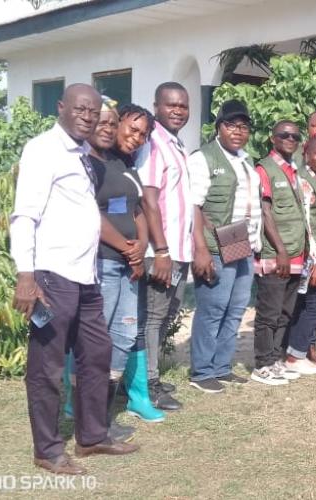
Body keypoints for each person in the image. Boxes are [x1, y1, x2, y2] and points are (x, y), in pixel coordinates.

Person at [12, 83, 137, 475]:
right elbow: (25, 215)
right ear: (62, 108)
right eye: (81, 109)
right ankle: (47, 450)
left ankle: (92, 436)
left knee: (96, 356)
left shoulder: (85, 154)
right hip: (51, 277)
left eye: (94, 110)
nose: (88, 116)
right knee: (47, 366)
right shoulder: (43, 150)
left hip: (86, 278)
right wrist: (25, 276)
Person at [86, 99, 164, 431]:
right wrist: (126, 248)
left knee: (125, 334)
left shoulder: (123, 164)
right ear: (115, 123)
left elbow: (136, 209)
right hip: (104, 263)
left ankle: (102, 414)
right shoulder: (87, 163)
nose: (137, 137)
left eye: (143, 134)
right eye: (132, 128)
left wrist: (142, 247)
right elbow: (91, 213)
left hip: (129, 264)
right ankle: (87, 413)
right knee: (98, 337)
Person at [186, 100, 261, 393]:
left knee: (235, 308)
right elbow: (194, 205)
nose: (237, 131)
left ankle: (221, 366)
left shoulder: (246, 159)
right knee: (213, 308)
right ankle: (202, 371)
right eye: (231, 125)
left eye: (243, 127)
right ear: (219, 127)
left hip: (243, 241)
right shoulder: (203, 158)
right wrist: (201, 249)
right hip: (216, 244)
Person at [132, 82, 190, 412]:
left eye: (183, 106)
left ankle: (147, 376)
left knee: (164, 316)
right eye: (171, 105)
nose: (178, 111)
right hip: (161, 251)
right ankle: (148, 385)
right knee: (152, 319)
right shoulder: (152, 143)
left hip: (177, 248)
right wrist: (162, 251)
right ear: (156, 106)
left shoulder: (176, 145)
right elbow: (149, 198)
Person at [250, 120, 310, 386]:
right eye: (284, 135)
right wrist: (281, 251)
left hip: (297, 255)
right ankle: (262, 364)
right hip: (277, 256)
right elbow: (265, 212)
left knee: (285, 313)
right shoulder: (265, 168)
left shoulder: (294, 171)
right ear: (273, 138)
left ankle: (275, 360)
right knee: (269, 313)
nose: (290, 139)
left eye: (295, 136)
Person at [280, 135, 316, 376]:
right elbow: (306, 224)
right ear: (306, 155)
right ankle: (295, 355)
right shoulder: (304, 181)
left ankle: (296, 353)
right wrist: (313, 262)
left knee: (309, 303)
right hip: (314, 255)